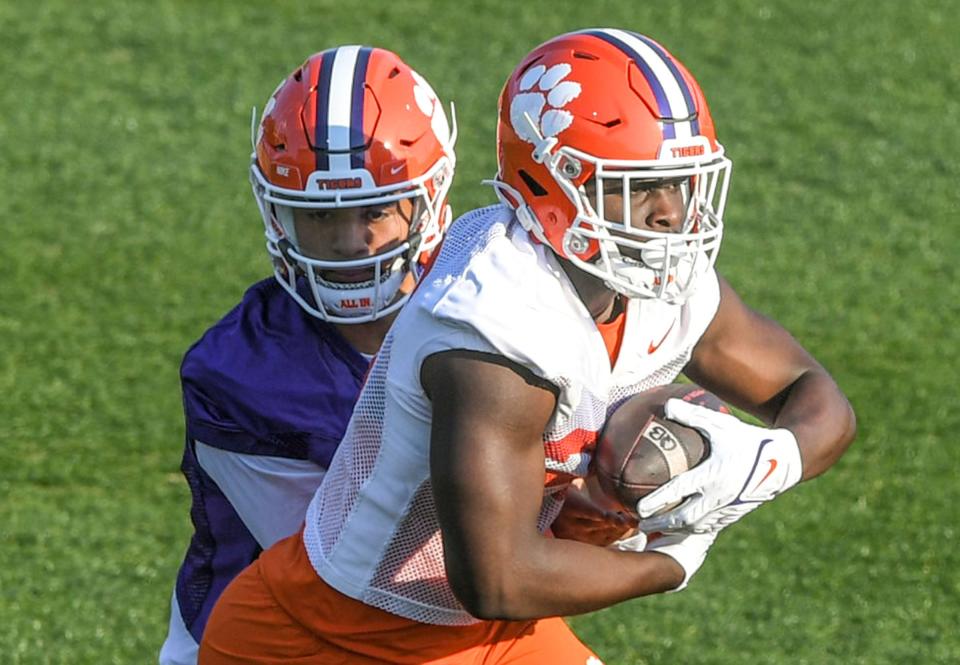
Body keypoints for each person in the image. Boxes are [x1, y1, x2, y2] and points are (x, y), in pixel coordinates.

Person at [198, 29, 857, 664]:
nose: (669, 213)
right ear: (555, 185)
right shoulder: (494, 324)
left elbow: (814, 397)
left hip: (487, 633)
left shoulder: (653, 274)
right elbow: (499, 578)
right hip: (326, 639)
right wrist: (671, 560)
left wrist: (769, 459)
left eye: (680, 183)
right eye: (638, 187)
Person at [158, 46, 457, 665]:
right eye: (320, 217)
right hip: (273, 642)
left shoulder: (483, 300)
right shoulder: (241, 373)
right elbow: (374, 567)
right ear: (277, 214)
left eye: (374, 210)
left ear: (430, 198)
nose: (349, 244)